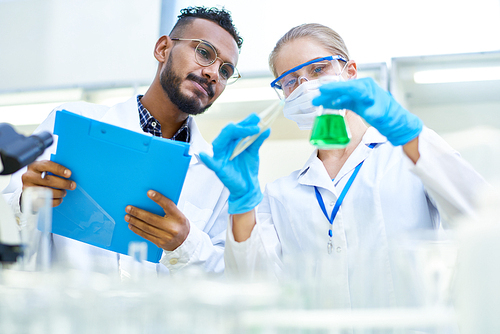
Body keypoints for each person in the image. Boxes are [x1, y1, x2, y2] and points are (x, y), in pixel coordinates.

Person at [199, 23, 489, 308]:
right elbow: (256, 290)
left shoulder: (407, 158)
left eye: (317, 69)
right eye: (291, 80)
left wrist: (412, 137)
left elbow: (483, 220)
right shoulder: (279, 195)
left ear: (350, 72)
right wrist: (242, 205)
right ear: (284, 95)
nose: (306, 86)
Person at [2, 6, 243, 276]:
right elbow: (6, 233)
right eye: (204, 52)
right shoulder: (71, 122)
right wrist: (25, 202)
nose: (213, 73)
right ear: (163, 49)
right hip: (68, 312)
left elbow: (227, 277)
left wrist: (185, 244)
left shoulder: (217, 176)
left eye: (225, 70)